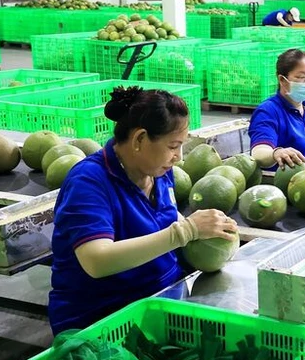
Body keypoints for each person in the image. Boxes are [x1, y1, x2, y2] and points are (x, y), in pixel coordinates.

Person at [49, 87, 238, 334]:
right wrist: (185, 231)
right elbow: (96, 260)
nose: (179, 157)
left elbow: (165, 218)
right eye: (173, 146)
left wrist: (208, 234)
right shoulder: (89, 182)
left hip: (162, 299)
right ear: (139, 139)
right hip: (104, 319)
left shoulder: (157, 171)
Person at [250, 49, 305, 169]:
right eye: (301, 77)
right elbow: (259, 152)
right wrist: (276, 153)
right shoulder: (268, 111)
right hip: (291, 184)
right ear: (282, 80)